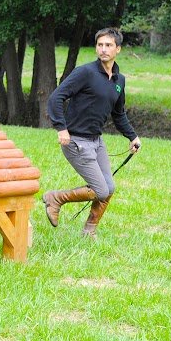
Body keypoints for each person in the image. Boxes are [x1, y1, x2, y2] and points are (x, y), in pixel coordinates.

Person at [43, 27, 141, 239]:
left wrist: (132, 136)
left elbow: (118, 113)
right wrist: (61, 127)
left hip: (96, 142)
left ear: (118, 49)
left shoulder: (118, 80)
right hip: (75, 141)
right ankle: (55, 198)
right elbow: (56, 97)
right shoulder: (85, 73)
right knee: (101, 190)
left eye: (108, 45)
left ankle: (89, 231)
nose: (103, 49)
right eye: (100, 45)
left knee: (109, 188)